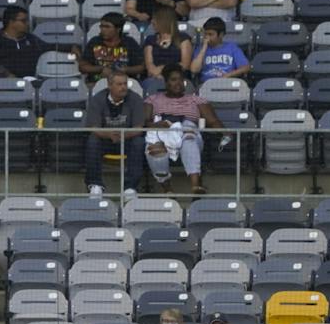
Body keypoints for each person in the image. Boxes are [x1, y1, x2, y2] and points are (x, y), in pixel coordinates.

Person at [145, 62, 224, 194]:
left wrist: (225, 133)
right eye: (173, 80)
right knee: (155, 149)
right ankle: (167, 188)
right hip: (162, 131)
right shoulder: (152, 100)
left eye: (181, 80)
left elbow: (213, 121)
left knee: (189, 138)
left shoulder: (196, 100)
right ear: (166, 83)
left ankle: (195, 185)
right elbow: (144, 122)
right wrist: (158, 125)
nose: (178, 83)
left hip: (188, 130)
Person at [83, 70, 145, 198]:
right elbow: (93, 127)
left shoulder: (135, 99)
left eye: (125, 84)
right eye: (119, 84)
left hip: (127, 139)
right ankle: (95, 185)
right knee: (92, 141)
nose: (123, 87)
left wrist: (122, 135)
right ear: (110, 85)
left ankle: (130, 188)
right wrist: (109, 135)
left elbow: (139, 128)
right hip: (105, 140)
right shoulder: (98, 99)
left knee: (139, 142)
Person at [0, 7, 77, 83]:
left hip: (29, 82)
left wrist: (70, 47)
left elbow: (48, 47)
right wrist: (5, 74)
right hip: (4, 81)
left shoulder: (31, 39)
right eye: (23, 21)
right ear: (11, 22)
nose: (27, 24)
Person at [79, 12, 142, 80]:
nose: (103, 29)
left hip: (124, 83)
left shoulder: (129, 42)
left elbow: (141, 67)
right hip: (97, 82)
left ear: (118, 29)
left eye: (107, 27)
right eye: (101, 26)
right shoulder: (95, 42)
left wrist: (124, 70)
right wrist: (101, 69)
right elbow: (83, 67)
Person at [191, 16, 250, 83]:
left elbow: (245, 67)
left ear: (221, 35)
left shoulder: (232, 47)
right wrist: (204, 47)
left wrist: (228, 75)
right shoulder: (200, 49)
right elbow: (194, 70)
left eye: (210, 34)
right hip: (207, 85)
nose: (207, 37)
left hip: (228, 83)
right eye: (205, 34)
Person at [143, 6, 192, 79]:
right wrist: (158, 75)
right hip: (155, 77)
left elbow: (185, 65)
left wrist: (162, 69)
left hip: (178, 78)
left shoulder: (183, 39)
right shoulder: (150, 39)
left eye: (155, 19)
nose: (152, 22)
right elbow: (149, 64)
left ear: (164, 20)